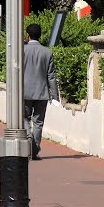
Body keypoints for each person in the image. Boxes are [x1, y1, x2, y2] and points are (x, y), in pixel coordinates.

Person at [23, 23, 60, 160]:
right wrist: (55, 96)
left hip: (25, 92)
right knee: (38, 122)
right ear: (40, 35)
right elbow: (51, 76)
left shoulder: (22, 50)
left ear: (28, 35)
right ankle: (35, 149)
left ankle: (28, 138)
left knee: (24, 118)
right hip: (42, 93)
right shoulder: (47, 52)